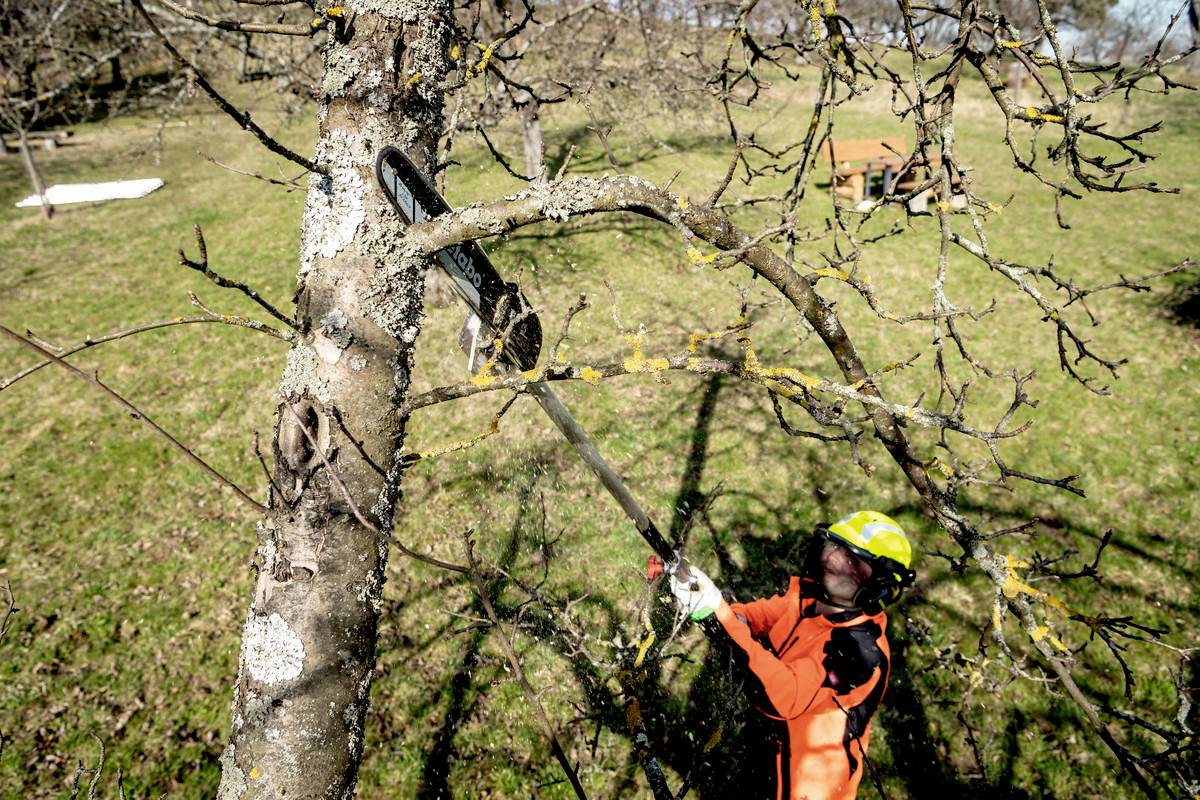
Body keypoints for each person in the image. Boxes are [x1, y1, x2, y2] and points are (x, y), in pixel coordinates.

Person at [668, 510, 916, 800]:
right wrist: (707, 600)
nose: (834, 559)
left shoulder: (860, 655)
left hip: (807, 786)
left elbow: (783, 696)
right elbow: (750, 619)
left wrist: (716, 616)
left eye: (853, 561)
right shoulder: (807, 598)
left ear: (879, 588)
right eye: (834, 546)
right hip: (769, 746)